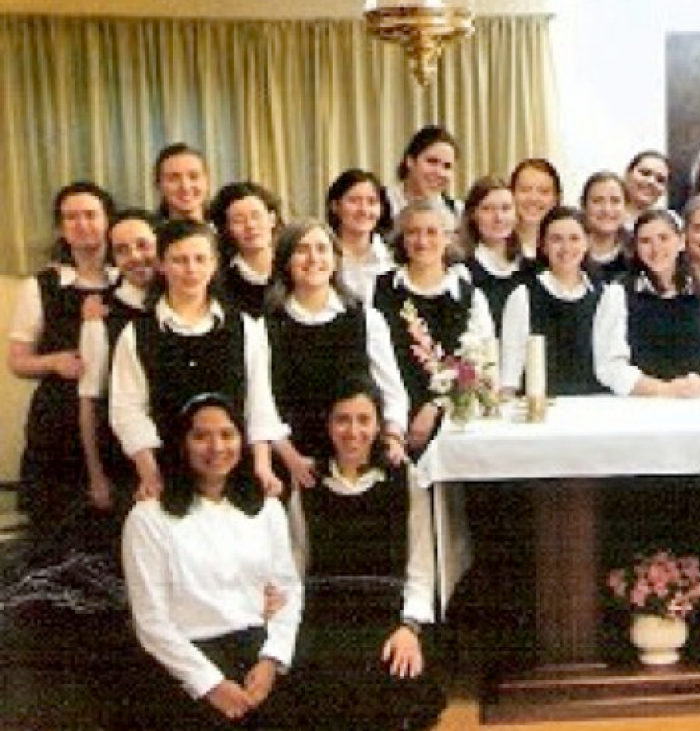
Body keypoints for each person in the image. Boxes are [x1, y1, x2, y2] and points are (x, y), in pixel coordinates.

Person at [120, 393, 301, 729]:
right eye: (201, 436)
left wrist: (272, 659)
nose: (216, 447)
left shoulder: (267, 509)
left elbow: (288, 590)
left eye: (227, 434)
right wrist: (210, 685)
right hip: (185, 665)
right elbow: (150, 621)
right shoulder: (148, 519)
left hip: (259, 658)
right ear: (182, 444)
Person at [286, 379, 453, 731]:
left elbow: (421, 565)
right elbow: (296, 562)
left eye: (364, 419)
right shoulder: (309, 482)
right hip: (326, 618)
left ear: (379, 425)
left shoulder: (403, 478)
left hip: (387, 615)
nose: (353, 431)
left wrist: (409, 628)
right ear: (328, 424)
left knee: (392, 683)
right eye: (342, 419)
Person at [109, 219, 288, 500]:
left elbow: (259, 402)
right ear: (161, 265)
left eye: (200, 259)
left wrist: (262, 467)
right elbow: (127, 410)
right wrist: (150, 474)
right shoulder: (136, 334)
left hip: (234, 470)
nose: (191, 269)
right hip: (167, 473)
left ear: (214, 264)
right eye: (179, 260)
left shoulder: (245, 327)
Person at [263, 219, 409, 487]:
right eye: (302, 250)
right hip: (294, 460)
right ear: (285, 261)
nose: (313, 258)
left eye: (322, 249)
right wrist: (291, 458)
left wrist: (392, 436)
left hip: (358, 456)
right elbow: (262, 403)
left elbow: (392, 390)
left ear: (335, 259)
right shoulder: (265, 325)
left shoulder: (366, 319)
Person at [8, 182, 115, 533]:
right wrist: (53, 362)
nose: (82, 224)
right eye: (71, 217)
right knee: (56, 529)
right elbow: (17, 361)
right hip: (59, 420)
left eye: (91, 215)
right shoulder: (40, 286)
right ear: (60, 228)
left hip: (115, 414)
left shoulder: (127, 279)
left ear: (108, 220)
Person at [372, 199, 495, 470]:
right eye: (413, 232)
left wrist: (436, 408)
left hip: (451, 422)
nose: (422, 241)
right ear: (402, 239)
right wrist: (396, 422)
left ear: (448, 238)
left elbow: (479, 365)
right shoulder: (379, 290)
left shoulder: (470, 297)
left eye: (431, 232)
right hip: (390, 423)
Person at [592, 209, 700, 397]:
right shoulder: (618, 294)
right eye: (645, 241)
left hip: (695, 403)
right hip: (639, 405)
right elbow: (610, 365)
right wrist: (663, 390)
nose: (656, 248)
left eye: (663, 238)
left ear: (681, 241)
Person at [78, 209, 159, 525]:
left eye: (143, 245)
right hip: (125, 460)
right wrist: (95, 474)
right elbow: (89, 401)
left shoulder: (182, 301)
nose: (135, 256)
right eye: (122, 250)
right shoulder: (100, 315)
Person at [501, 206, 604, 396]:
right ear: (543, 245)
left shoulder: (603, 296)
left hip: (595, 403)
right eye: (556, 239)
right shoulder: (523, 296)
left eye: (574, 238)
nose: (566, 248)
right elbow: (510, 369)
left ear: (587, 242)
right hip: (541, 405)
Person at [460, 176, 529, 335]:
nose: (498, 217)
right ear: (473, 214)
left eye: (506, 208)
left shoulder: (531, 269)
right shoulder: (463, 272)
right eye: (488, 209)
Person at [209, 182, 282, 317]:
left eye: (256, 216)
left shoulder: (292, 271)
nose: (250, 225)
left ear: (272, 219)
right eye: (238, 220)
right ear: (227, 229)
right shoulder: (220, 281)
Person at [326, 168, 394, 304]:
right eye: (354, 201)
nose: (364, 210)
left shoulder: (393, 257)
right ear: (335, 206)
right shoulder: (322, 256)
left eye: (372, 202)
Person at [387, 125, 462, 220]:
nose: (439, 172)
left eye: (447, 166)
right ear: (410, 161)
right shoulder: (379, 203)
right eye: (432, 161)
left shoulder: (458, 213)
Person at [580, 171, 632, 282]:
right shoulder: (569, 250)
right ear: (583, 206)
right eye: (597, 201)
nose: (607, 209)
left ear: (626, 206)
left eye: (615, 201)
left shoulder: (638, 252)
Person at [510, 158, 562, 260]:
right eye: (525, 190)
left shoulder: (568, 250)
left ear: (556, 198)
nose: (533, 198)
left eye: (543, 191)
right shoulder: (496, 247)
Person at [153, 143, 210, 222]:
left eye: (193, 176)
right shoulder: (147, 229)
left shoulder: (224, 228)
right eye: (174, 179)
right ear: (159, 185)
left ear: (207, 181)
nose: (185, 186)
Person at [622, 150, 670, 226]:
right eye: (645, 173)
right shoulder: (606, 216)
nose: (651, 182)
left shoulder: (671, 224)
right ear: (627, 174)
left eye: (660, 180)